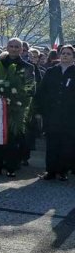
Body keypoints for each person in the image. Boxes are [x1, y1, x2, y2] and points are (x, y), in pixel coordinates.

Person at [0, 39, 36, 177]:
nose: (14, 49)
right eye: (11, 46)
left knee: (13, 140)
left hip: (16, 109)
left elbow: (30, 88)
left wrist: (18, 99)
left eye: (17, 47)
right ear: (7, 47)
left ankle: (11, 167)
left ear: (21, 49)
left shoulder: (28, 67)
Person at [36, 44, 75, 181]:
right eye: (63, 53)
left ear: (73, 57)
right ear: (59, 55)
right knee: (52, 143)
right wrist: (39, 110)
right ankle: (50, 171)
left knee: (66, 144)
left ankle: (63, 171)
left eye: (68, 54)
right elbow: (42, 91)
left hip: (70, 116)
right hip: (52, 115)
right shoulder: (51, 71)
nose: (65, 55)